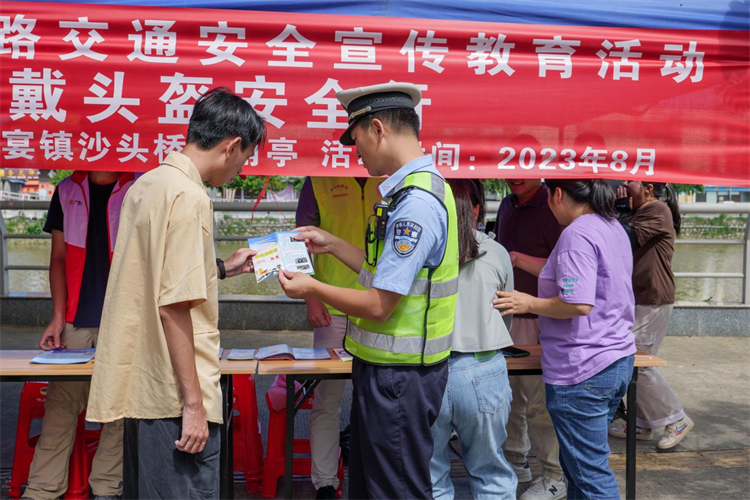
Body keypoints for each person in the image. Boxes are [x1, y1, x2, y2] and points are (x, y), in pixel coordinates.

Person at [278, 81, 459, 500]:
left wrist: (312, 287)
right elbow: (385, 272)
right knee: (375, 485)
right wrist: (331, 243)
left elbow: (379, 303)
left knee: (395, 490)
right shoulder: (414, 191)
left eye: (356, 138)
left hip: (399, 377)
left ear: (378, 129)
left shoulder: (415, 204)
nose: (355, 152)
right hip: (391, 372)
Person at [86, 88, 265, 499]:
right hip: (174, 395)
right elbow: (173, 306)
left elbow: (154, 277)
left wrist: (223, 268)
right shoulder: (190, 196)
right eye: (245, 158)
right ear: (231, 146)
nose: (241, 169)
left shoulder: (148, 184)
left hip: (143, 385)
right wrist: (194, 404)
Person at [494, 179, 636, 500]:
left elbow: (577, 302)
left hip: (582, 368)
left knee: (589, 475)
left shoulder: (576, 234)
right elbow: (569, 274)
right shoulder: (611, 226)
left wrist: (527, 303)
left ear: (557, 194)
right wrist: (518, 259)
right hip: (615, 358)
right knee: (578, 470)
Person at [21, 170, 135, 500]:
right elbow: (58, 257)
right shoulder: (66, 189)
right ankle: (41, 491)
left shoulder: (140, 185)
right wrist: (57, 318)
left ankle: (107, 489)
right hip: (74, 322)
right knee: (60, 409)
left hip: (125, 321)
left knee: (120, 411)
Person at [430, 179, 517, 500]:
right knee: (490, 473)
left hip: (428, 370)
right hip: (484, 369)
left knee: (430, 474)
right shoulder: (496, 251)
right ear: (477, 210)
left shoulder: (422, 248)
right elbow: (506, 311)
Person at [296, 176, 382, 500]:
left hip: (379, 308)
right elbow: (297, 241)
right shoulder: (318, 179)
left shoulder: (389, 173)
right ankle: (325, 483)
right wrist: (311, 297)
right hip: (331, 309)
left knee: (376, 398)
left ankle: (371, 478)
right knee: (326, 401)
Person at [494, 178, 566, 499]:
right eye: (508, 168)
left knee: (540, 403)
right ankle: (516, 462)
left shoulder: (554, 205)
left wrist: (517, 258)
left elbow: (565, 267)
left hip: (542, 316)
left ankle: (554, 474)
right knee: (508, 399)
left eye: (523, 168)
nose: (515, 175)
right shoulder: (506, 204)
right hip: (506, 315)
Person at [609, 181, 694, 449]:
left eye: (630, 182)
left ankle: (676, 419)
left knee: (638, 363)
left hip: (652, 297)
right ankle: (642, 423)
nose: (624, 186)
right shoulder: (641, 210)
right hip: (638, 296)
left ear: (647, 188)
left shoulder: (656, 210)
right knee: (632, 361)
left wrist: (621, 212)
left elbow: (624, 239)